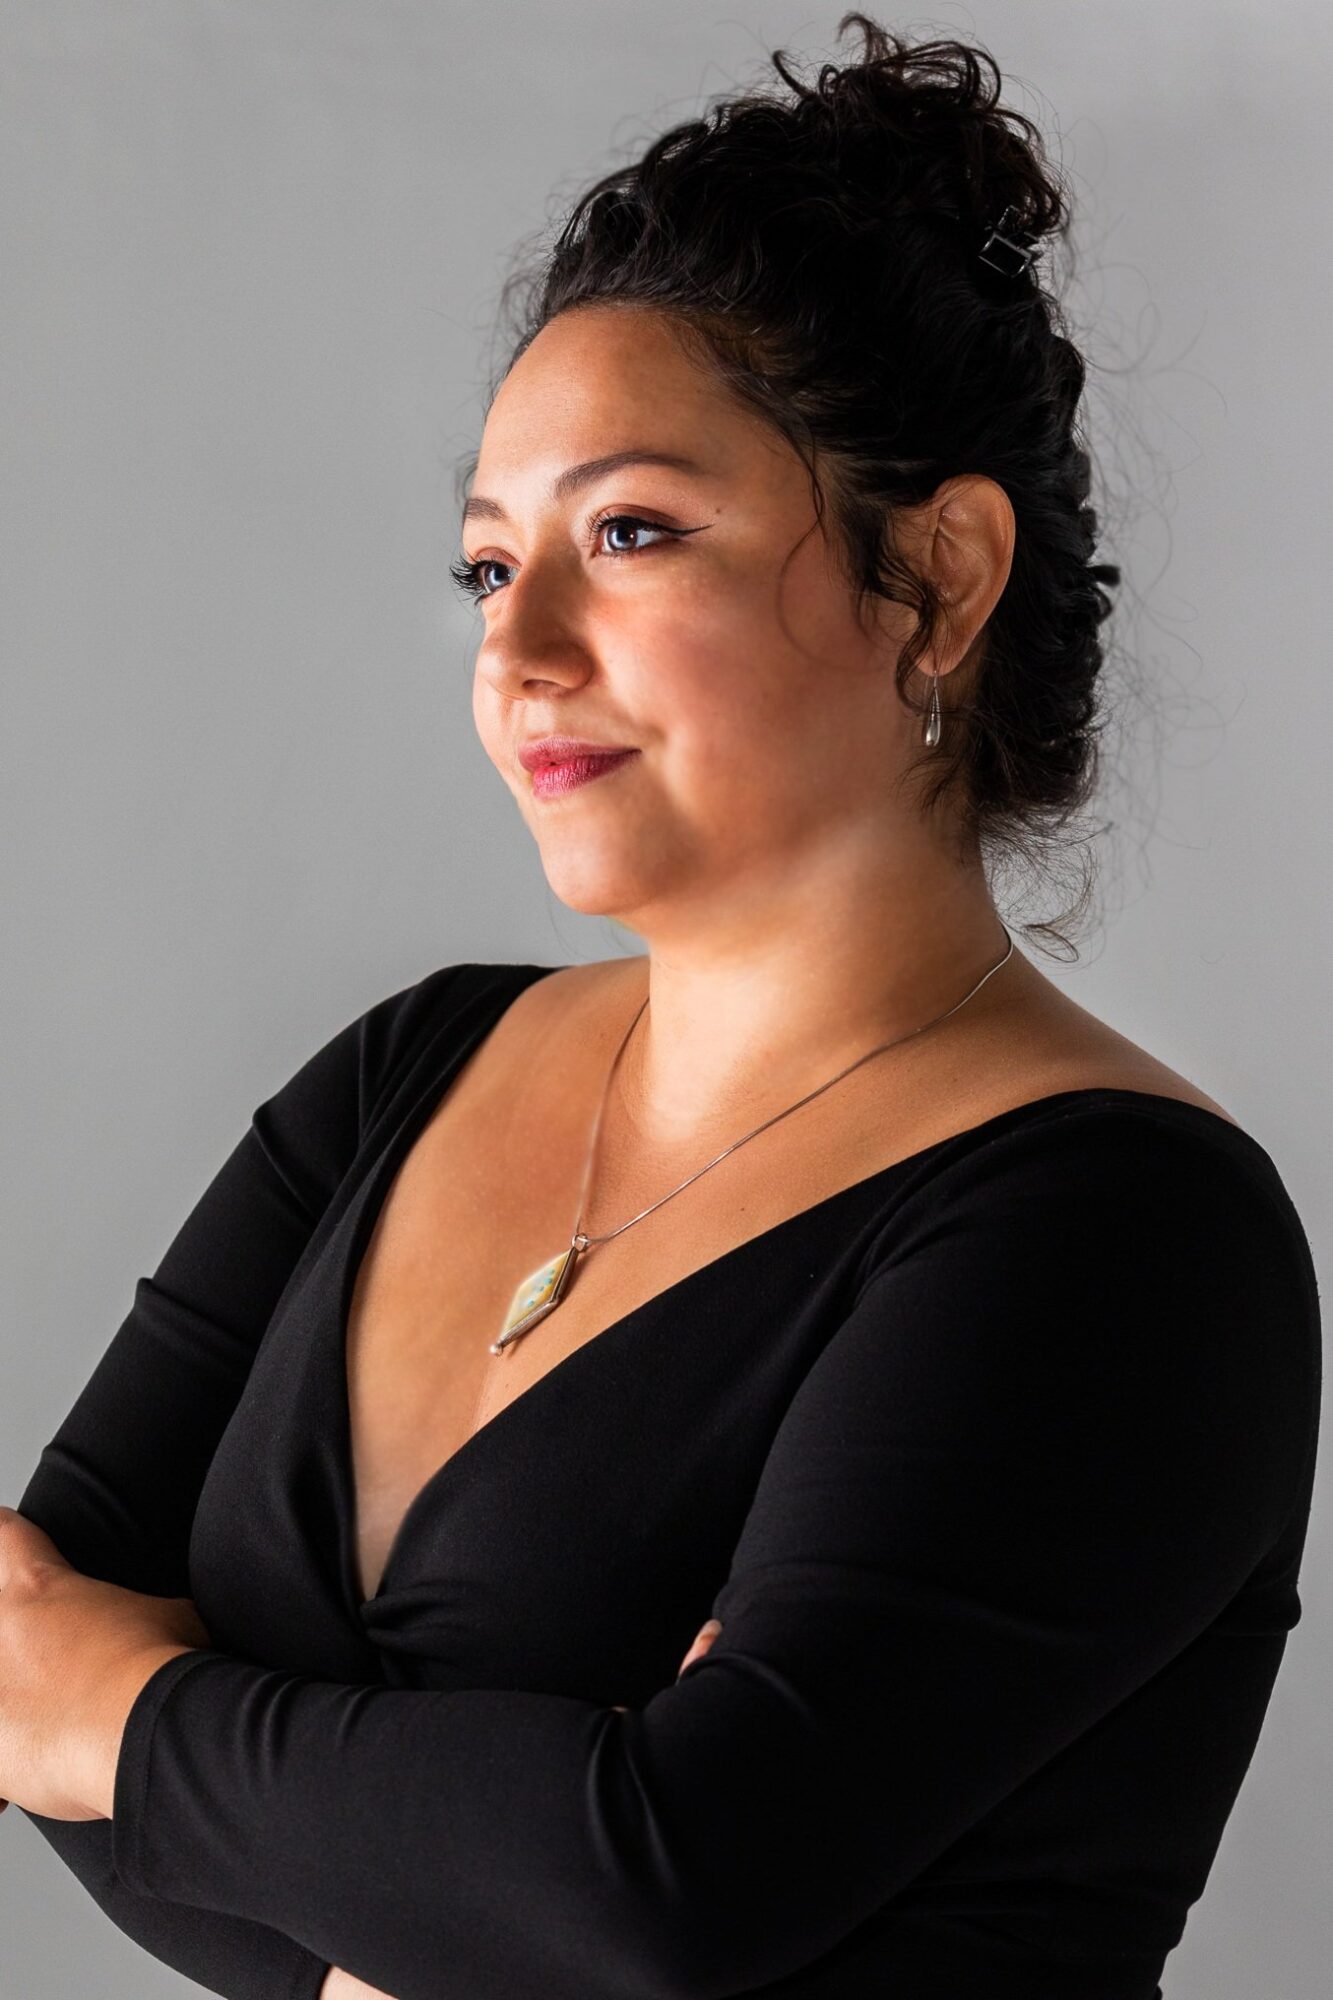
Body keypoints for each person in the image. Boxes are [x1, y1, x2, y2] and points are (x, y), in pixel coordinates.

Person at [2, 16, 1319, 2000]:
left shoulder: (1119, 1232)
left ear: (938, 576)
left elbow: (658, 1885)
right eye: (484, 562)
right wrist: (472, 1859)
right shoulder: (406, 1069)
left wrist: (154, 1726)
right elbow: (26, 1635)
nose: (517, 649)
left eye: (629, 533)